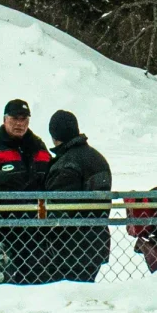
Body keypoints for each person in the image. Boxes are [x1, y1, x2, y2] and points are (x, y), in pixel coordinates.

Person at [45, 110, 112, 282]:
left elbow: (58, 208)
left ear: (54, 135)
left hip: (69, 246)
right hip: (97, 238)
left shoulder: (66, 163)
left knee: (68, 294)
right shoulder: (97, 158)